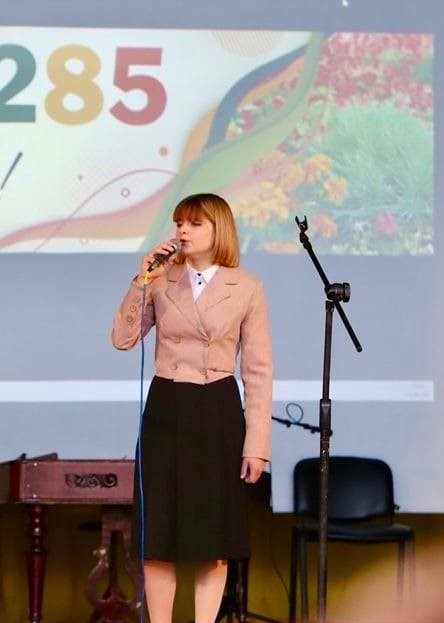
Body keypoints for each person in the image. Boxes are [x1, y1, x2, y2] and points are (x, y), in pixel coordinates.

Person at [111, 193, 273, 623]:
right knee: (158, 538)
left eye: (195, 223)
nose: (183, 230)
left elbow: (258, 371)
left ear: (220, 229)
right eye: (179, 222)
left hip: (217, 409)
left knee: (211, 541)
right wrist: (141, 280)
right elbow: (123, 339)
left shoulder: (247, 287)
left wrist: (257, 445)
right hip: (167, 408)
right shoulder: (161, 279)